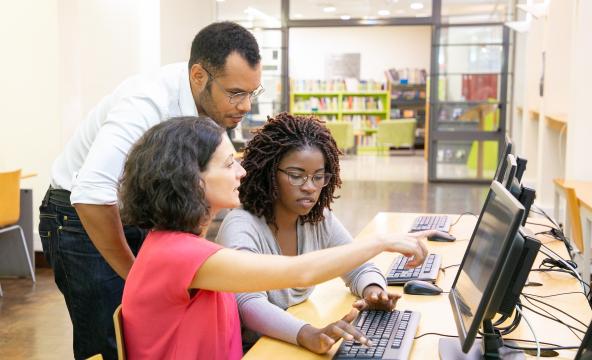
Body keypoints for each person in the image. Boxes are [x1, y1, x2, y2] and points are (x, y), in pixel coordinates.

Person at [38, 21, 263, 360]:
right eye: (236, 93)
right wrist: (137, 276)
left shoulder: (209, 104)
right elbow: (90, 193)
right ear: (200, 76)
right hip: (79, 216)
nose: (246, 106)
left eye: (252, 93)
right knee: (112, 341)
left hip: (129, 211)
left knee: (149, 333)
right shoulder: (146, 103)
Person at [119, 116, 429, 359]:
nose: (242, 172)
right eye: (229, 164)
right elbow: (298, 271)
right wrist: (379, 242)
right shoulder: (179, 254)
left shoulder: (175, 245)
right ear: (192, 179)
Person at [215, 112, 436, 354]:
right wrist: (307, 333)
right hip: (253, 349)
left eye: (318, 177)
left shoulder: (317, 218)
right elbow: (247, 302)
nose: (310, 187)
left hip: (291, 342)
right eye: (296, 175)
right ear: (269, 173)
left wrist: (374, 291)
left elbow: (358, 266)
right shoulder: (241, 225)